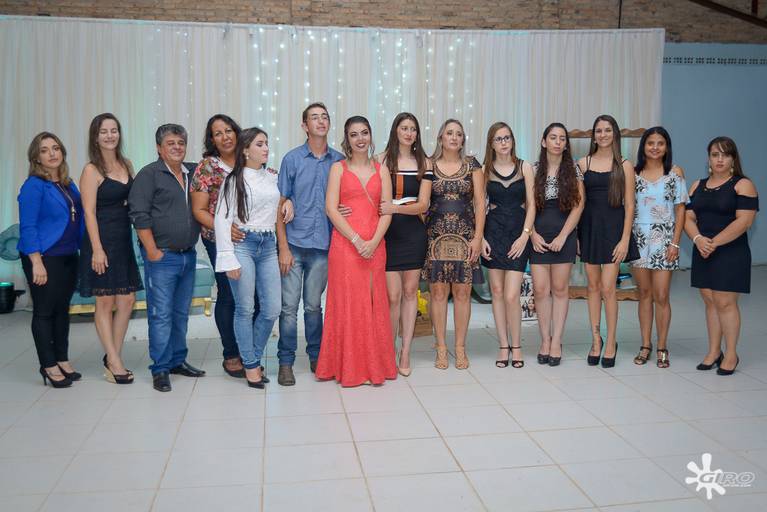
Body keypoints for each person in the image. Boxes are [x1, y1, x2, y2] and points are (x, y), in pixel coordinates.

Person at [315, 116, 396, 386]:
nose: (360, 139)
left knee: (373, 305)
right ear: (347, 139)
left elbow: (386, 211)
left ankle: (375, 366)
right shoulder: (337, 169)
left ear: (371, 136)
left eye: (364, 133)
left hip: (375, 245)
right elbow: (331, 208)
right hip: (345, 247)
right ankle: (346, 367)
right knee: (347, 305)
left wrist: (372, 242)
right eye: (354, 134)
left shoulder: (382, 170)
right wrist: (356, 240)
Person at [128, 124, 206, 392]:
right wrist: (152, 251)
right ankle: (160, 369)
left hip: (188, 256)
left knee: (180, 313)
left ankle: (177, 360)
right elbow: (139, 215)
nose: (177, 147)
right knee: (161, 315)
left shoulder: (193, 172)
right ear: (159, 148)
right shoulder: (149, 174)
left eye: (181, 143)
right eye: (171, 143)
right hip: (162, 257)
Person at [275, 102, 344, 386]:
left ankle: (317, 357)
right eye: (314, 117)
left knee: (314, 307)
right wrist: (283, 248)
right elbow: (279, 204)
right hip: (294, 244)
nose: (320, 121)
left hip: (323, 247)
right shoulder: (292, 160)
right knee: (289, 308)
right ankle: (285, 362)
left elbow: (345, 199)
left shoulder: (339, 162)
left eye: (324, 117)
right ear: (304, 126)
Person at [215, 128, 283, 388]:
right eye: (259, 144)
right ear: (245, 150)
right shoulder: (234, 180)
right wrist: (227, 258)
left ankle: (250, 357)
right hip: (242, 244)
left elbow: (280, 202)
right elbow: (222, 219)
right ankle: (252, 365)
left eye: (266, 143)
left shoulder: (272, 177)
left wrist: (288, 203)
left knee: (272, 308)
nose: (266, 148)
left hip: (268, 245)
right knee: (245, 309)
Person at [685, 136, 758, 375]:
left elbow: (744, 221)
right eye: (715, 154)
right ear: (708, 158)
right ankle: (714, 352)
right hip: (703, 249)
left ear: (733, 159)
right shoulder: (697, 185)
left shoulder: (743, 184)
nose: (719, 159)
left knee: (725, 303)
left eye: (725, 155)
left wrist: (713, 243)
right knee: (710, 302)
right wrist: (698, 239)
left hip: (730, 251)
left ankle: (731, 354)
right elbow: (687, 217)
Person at [78, 113, 143, 384]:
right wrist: (97, 249)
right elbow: (88, 213)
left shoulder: (126, 164)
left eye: (113, 130)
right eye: (103, 131)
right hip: (101, 241)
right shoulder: (91, 170)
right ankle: (115, 362)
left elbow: (133, 199)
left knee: (127, 300)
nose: (109, 135)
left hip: (122, 240)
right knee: (105, 301)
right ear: (95, 137)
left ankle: (112, 356)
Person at [18, 132, 84, 388]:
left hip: (68, 255)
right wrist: (36, 261)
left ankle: (62, 359)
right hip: (44, 257)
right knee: (44, 312)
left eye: (55, 148)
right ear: (36, 157)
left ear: (62, 152)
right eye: (44, 150)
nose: (52, 153)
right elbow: (28, 226)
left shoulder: (68, 183)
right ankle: (48, 365)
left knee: (61, 310)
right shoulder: (34, 185)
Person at [422, 119, 485, 370]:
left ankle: (460, 348)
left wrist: (478, 237)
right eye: (449, 133)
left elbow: (480, 202)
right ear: (441, 138)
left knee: (462, 294)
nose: (454, 137)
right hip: (435, 238)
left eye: (459, 134)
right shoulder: (428, 164)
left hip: (465, 238)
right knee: (438, 294)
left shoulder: (472, 165)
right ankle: (441, 347)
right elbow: (422, 202)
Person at [577, 114, 639, 368]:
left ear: (615, 134)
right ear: (594, 136)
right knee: (592, 287)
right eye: (599, 131)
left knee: (608, 287)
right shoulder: (582, 163)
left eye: (607, 130)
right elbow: (579, 204)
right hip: (589, 229)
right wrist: (577, 237)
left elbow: (630, 205)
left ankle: (612, 340)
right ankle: (596, 339)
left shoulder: (624, 165)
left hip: (614, 230)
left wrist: (625, 240)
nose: (602, 135)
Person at [376, 113, 432, 377]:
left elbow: (423, 205)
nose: (409, 133)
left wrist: (394, 207)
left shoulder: (425, 162)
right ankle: (388, 350)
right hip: (387, 235)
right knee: (392, 296)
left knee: (411, 293)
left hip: (413, 235)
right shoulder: (381, 160)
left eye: (413, 129)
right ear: (395, 131)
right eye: (404, 128)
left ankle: (406, 351)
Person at [630, 127, 688, 368]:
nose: (655, 147)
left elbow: (680, 210)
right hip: (639, 239)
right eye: (650, 143)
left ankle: (662, 345)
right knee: (644, 294)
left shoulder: (675, 172)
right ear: (643, 146)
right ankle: (645, 345)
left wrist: (675, 242)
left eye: (660, 143)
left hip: (665, 241)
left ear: (667, 147)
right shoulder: (633, 173)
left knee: (661, 295)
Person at [480, 122, 535, 368]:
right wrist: (481, 238)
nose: (503, 143)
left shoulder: (525, 167)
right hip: (493, 233)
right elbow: (479, 206)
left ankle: (517, 346)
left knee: (512, 295)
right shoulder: (484, 170)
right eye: (498, 139)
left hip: (517, 235)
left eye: (507, 138)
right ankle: (503, 345)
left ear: (512, 140)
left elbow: (532, 205)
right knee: (497, 292)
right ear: (491, 144)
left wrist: (525, 235)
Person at [530, 123, 585, 367]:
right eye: (553, 137)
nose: (558, 142)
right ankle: (545, 340)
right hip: (538, 235)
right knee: (541, 290)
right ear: (544, 142)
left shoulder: (574, 170)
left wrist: (564, 236)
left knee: (560, 289)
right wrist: (532, 234)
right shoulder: (533, 170)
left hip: (565, 234)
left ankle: (557, 342)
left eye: (562, 138)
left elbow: (579, 206)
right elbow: (526, 206)